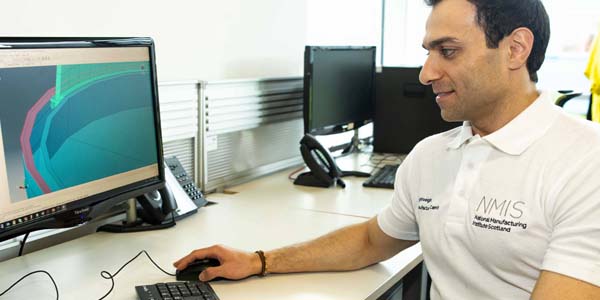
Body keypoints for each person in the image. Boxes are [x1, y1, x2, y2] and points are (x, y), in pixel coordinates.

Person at [174, 0, 600, 298]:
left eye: (448, 51)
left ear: (515, 49)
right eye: (429, 52)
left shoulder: (585, 163)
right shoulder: (433, 155)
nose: (426, 72)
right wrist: (259, 261)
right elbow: (370, 241)